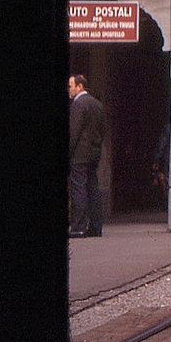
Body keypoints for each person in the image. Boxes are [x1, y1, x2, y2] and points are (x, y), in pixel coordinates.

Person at [68, 74, 107, 238]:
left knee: (78, 189)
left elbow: (73, 132)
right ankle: (96, 227)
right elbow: (103, 129)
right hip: (94, 154)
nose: (68, 90)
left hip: (79, 155)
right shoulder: (97, 104)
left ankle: (77, 227)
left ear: (80, 87)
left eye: (70, 86)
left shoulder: (78, 104)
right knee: (93, 189)